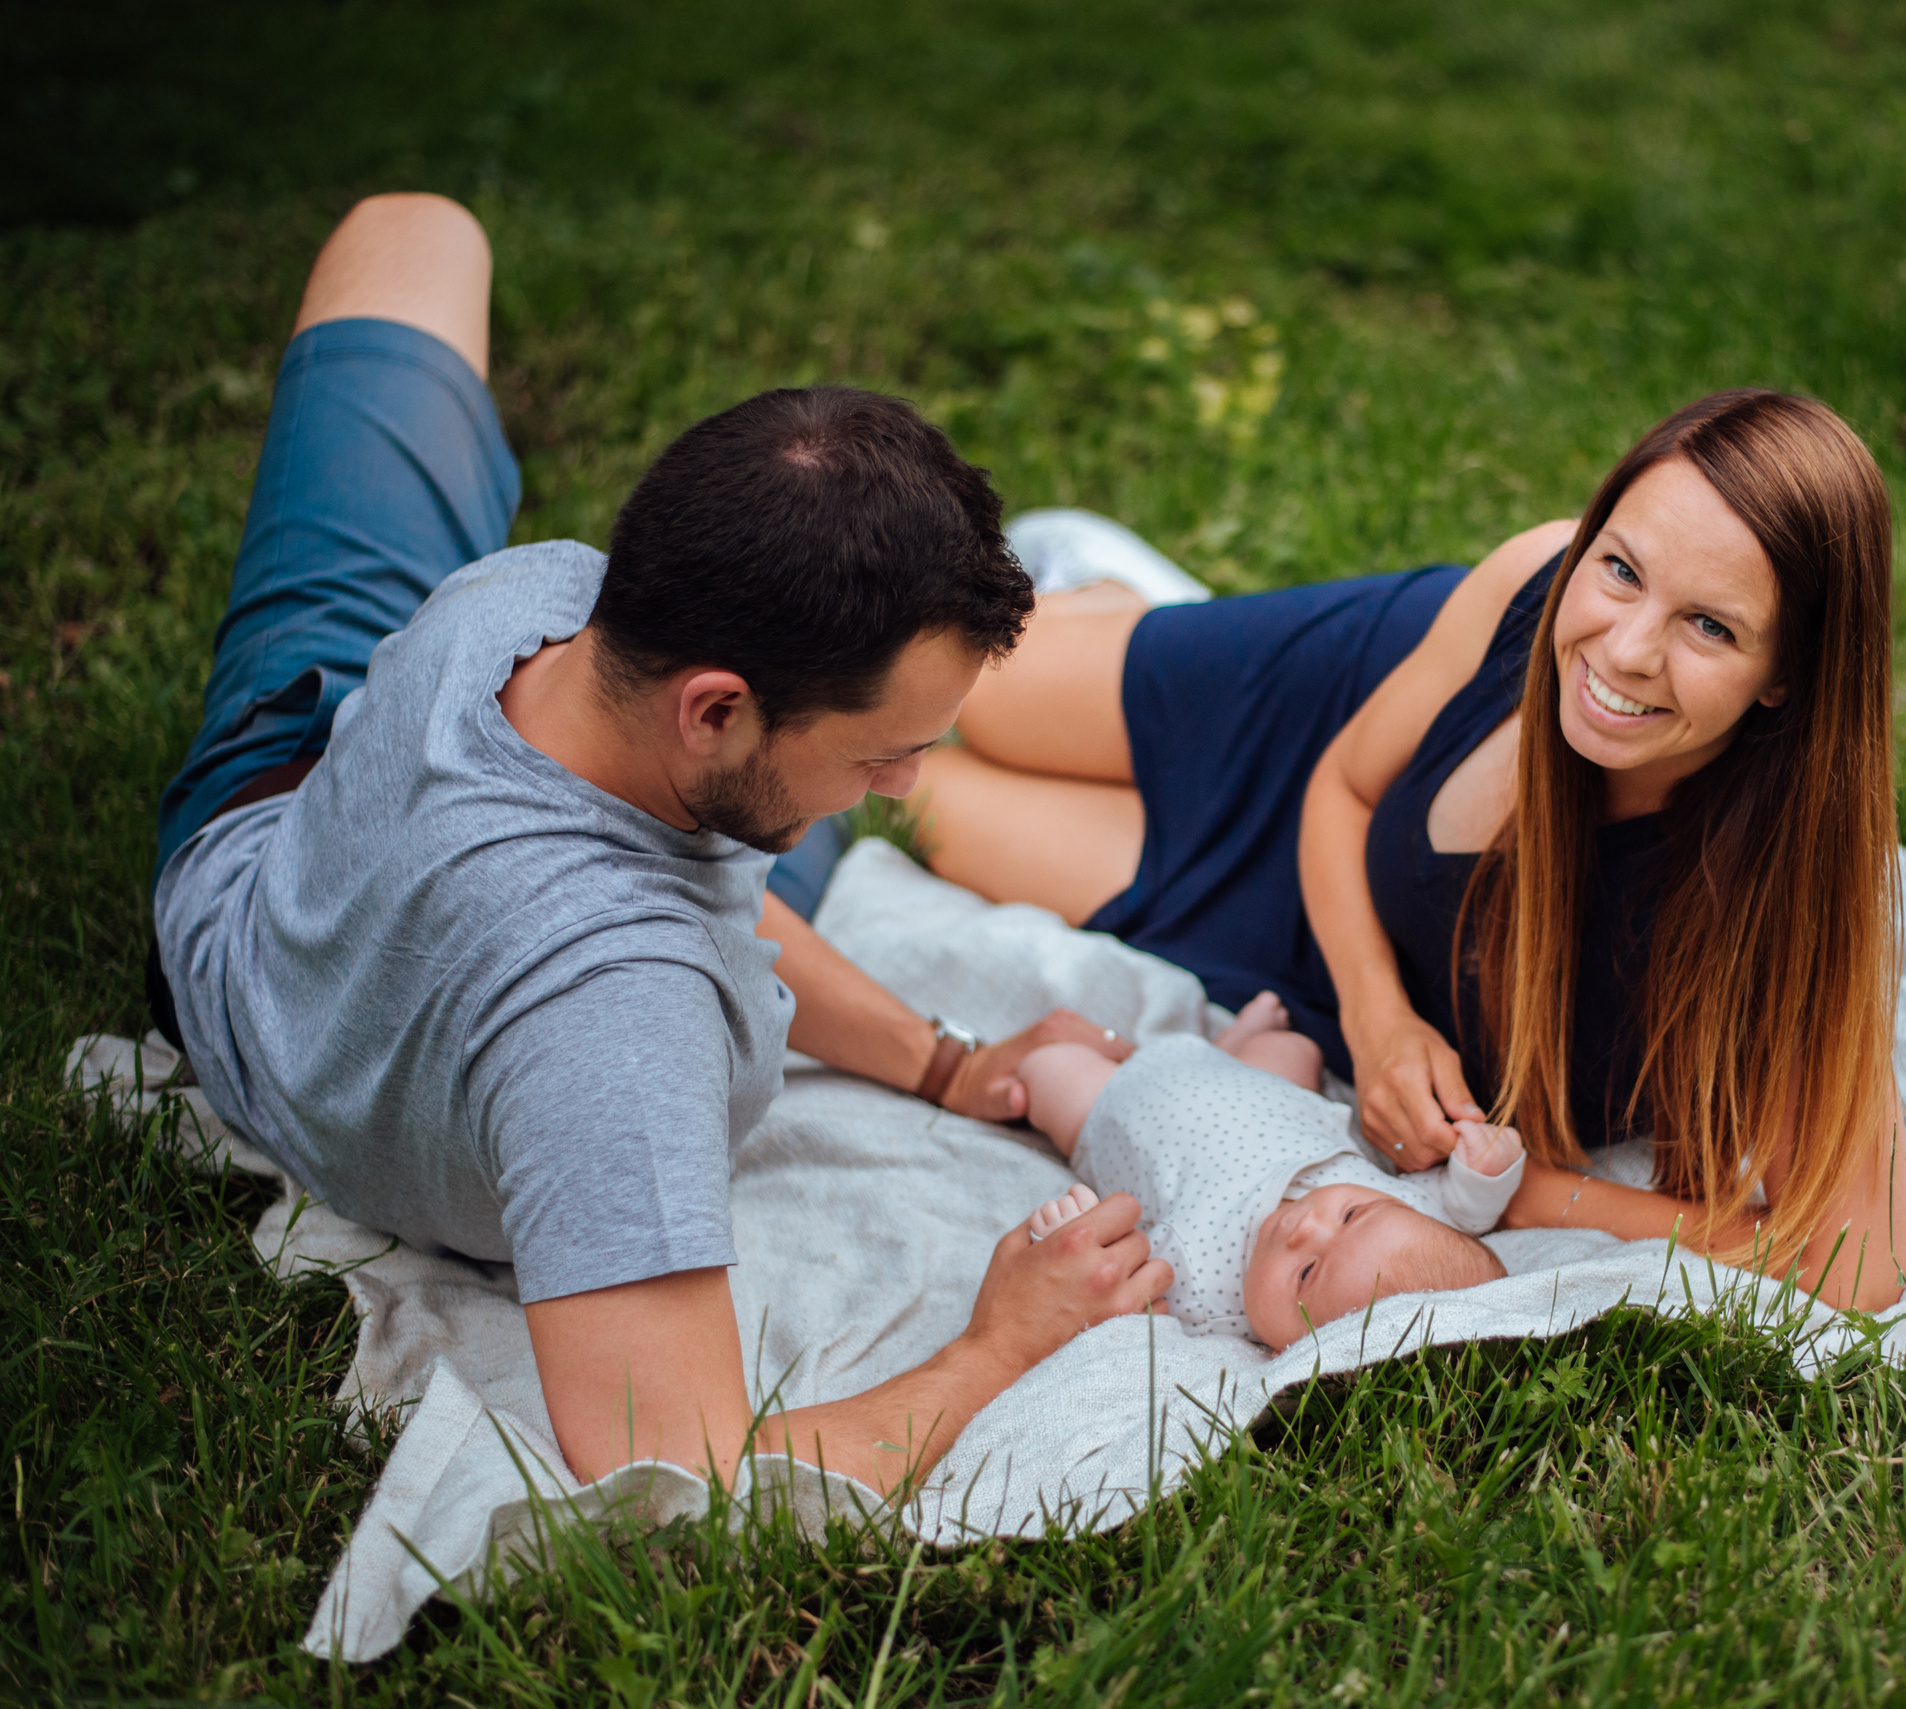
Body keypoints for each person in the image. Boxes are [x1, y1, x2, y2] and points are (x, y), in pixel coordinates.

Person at [146, 193, 1172, 1495]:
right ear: (717, 708)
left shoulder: (554, 600)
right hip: (265, 893)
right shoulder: (615, 1027)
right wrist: (1003, 1341)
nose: (904, 788)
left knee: (417, 233)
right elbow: (673, 1468)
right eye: (880, 752)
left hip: (281, 785)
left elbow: (711, 882)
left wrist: (943, 1062)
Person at [915, 391, 1906, 1312]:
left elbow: (1850, 1259)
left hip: (1296, 942)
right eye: (1618, 568)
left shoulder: (1791, 896)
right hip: (1338, 742)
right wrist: (1379, 1017)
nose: (1624, 650)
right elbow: (1346, 787)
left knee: (933, 804)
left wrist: (1538, 1195)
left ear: (1786, 674)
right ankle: (1119, 594)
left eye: (1707, 624)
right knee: (972, 688)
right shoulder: (1534, 583)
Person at [1015, 995, 1520, 1347]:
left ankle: (1213, 1047)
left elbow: (1110, 1296)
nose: (1308, 1225)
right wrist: (1486, 1167)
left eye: (1305, 1272)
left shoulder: (1201, 1298)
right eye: (1348, 1216)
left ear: (1289, 1352)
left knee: (1047, 1068)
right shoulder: (1404, 1217)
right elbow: (1460, 1206)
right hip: (1260, 1084)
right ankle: (1232, 1044)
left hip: (1126, 1104)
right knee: (1297, 1048)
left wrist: (1070, 1235)